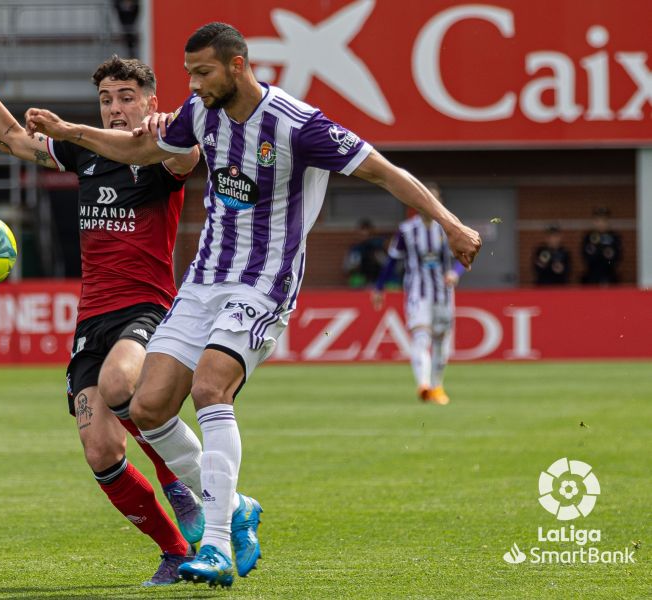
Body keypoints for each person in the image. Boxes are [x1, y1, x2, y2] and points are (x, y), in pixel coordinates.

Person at [24, 22, 481, 588]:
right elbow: (140, 146)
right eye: (189, 72)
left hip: (264, 281)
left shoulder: (299, 125)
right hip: (205, 278)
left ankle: (214, 545)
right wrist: (70, 129)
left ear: (238, 66)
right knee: (145, 407)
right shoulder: (201, 112)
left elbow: (384, 171)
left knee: (210, 386)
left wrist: (451, 224)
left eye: (203, 72)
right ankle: (236, 506)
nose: (192, 83)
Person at [0, 34, 204, 586]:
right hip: (93, 318)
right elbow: (11, 139)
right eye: (108, 98)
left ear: (150, 100)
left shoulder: (162, 148)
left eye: (127, 96)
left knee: (120, 384)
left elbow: (190, 157)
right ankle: (177, 551)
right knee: (99, 450)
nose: (116, 107)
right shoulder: (86, 152)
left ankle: (180, 483)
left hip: (149, 306)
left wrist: (170, 136)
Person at [371, 184, 465, 405]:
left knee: (441, 342)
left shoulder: (448, 227)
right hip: (417, 292)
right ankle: (423, 385)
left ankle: (437, 386)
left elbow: (463, 256)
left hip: (443, 293)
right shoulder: (406, 230)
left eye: (433, 199)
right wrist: (379, 287)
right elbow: (392, 261)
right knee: (421, 337)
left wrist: (455, 273)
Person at [581, 207, 622, 285]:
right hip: (592, 276)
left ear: (608, 221)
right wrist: (601, 253)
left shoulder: (614, 237)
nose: (601, 223)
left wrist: (606, 258)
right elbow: (587, 258)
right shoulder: (588, 237)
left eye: (604, 220)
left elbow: (616, 258)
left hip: (609, 275)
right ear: (594, 222)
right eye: (598, 220)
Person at [343, 218, 388, 288]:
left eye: (367, 231)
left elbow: (388, 265)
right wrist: (355, 263)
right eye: (362, 231)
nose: (364, 234)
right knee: (356, 281)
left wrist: (376, 256)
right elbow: (347, 268)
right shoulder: (356, 248)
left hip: (378, 279)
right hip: (362, 279)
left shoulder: (378, 246)